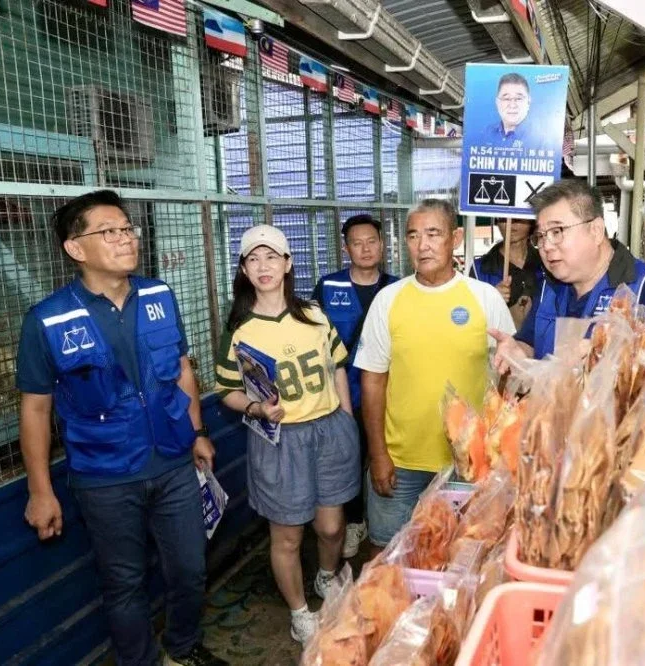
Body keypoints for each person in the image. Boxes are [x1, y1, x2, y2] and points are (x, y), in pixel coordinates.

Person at [16, 190, 226, 666]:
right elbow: (34, 409)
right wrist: (40, 490)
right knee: (124, 583)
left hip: (173, 461)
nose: (126, 238)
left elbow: (182, 369)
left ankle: (183, 646)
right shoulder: (47, 320)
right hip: (105, 475)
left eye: (127, 229)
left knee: (190, 569)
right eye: (108, 232)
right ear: (76, 248)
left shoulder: (159, 294)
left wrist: (196, 432)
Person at [214, 225, 360, 646]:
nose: (263, 266)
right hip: (281, 439)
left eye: (272, 257)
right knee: (288, 534)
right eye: (253, 259)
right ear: (243, 269)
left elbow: (337, 367)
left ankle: (326, 577)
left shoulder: (313, 313)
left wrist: (346, 421)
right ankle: (300, 612)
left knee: (332, 527)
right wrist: (257, 408)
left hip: (329, 430)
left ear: (288, 263)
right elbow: (227, 390)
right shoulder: (239, 330)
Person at [354, 199, 515, 551]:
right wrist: (378, 454)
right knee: (389, 555)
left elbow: (507, 377)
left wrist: (494, 453)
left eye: (433, 233)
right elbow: (373, 381)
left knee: (463, 555)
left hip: (469, 465)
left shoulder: (484, 298)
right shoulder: (388, 300)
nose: (422, 244)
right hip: (401, 463)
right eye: (413, 235)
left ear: (455, 238)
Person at [492, 179, 645, 371]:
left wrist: (612, 360)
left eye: (557, 231)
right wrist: (518, 352)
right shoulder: (548, 287)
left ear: (596, 230)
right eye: (540, 236)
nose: (546, 246)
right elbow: (531, 342)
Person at [311, 214, 398, 559]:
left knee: (382, 456)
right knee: (346, 459)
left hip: (386, 392)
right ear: (346, 248)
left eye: (371, 241)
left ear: (382, 244)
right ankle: (353, 521)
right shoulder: (328, 286)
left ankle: (384, 522)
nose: (365, 248)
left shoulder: (397, 287)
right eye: (357, 242)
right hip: (341, 393)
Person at [469, 217, 545, 328]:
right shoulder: (479, 268)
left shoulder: (547, 263)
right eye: (503, 218)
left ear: (532, 222)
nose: (511, 223)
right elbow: (468, 317)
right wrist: (491, 300)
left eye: (518, 217)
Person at [485, 72, 535, 149]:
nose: (512, 105)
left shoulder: (542, 140)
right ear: (497, 102)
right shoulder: (486, 133)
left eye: (518, 98)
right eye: (506, 99)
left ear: (528, 102)